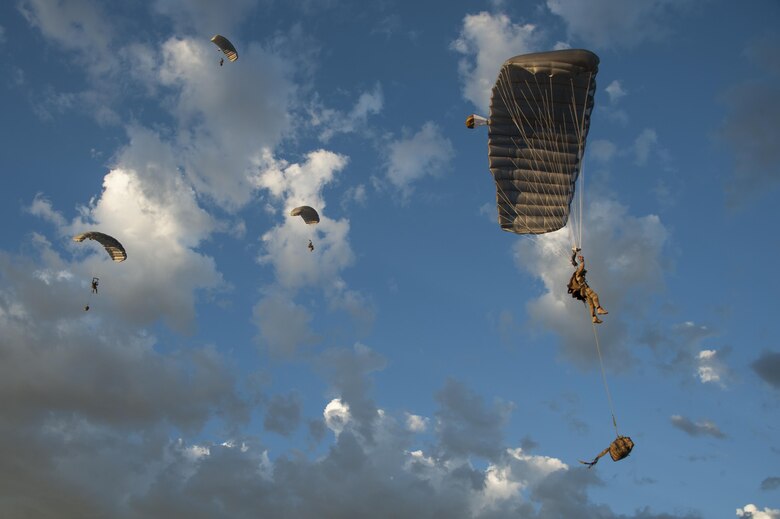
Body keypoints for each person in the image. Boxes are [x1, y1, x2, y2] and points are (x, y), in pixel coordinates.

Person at [567, 255, 607, 323]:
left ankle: (594, 317)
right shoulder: (578, 274)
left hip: (582, 292)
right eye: (584, 272)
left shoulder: (578, 276)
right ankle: (599, 308)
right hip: (584, 289)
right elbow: (581, 268)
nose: (585, 273)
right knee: (594, 296)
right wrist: (582, 261)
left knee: (591, 304)